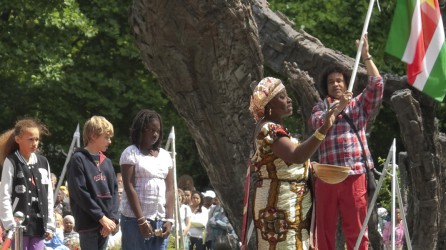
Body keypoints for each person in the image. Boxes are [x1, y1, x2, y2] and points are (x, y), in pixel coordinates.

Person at [310, 35, 383, 250]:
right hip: (326, 176)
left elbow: (377, 86)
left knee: (358, 229)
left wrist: (366, 55)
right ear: (326, 86)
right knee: (323, 230)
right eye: (331, 82)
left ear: (346, 83)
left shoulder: (358, 105)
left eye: (339, 80)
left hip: (354, 174)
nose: (336, 84)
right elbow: (319, 123)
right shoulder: (319, 108)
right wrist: (338, 107)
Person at [249, 76, 337, 249]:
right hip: (279, 206)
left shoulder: (275, 129)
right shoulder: (269, 129)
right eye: (282, 97)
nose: (289, 100)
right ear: (269, 105)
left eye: (287, 95)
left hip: (289, 202)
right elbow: (296, 155)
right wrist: (323, 129)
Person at [119, 109, 174, 250]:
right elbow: (129, 186)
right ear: (141, 130)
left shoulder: (165, 156)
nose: (155, 134)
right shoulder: (130, 153)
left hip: (160, 220)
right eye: (151, 130)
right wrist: (141, 220)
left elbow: (170, 189)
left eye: (158, 131)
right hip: (134, 220)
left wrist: (169, 219)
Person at [0, 118, 56, 249]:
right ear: (18, 139)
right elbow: (4, 194)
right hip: (18, 224)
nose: (34, 143)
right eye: (30, 139)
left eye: (37, 139)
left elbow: (48, 195)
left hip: (39, 224)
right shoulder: (12, 161)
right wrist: (9, 223)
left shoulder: (43, 162)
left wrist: (50, 224)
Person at [67, 116, 119, 250]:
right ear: (93, 136)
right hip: (88, 223)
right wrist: (101, 217)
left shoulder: (107, 162)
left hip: (106, 224)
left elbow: (114, 192)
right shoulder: (78, 159)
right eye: (106, 137)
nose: (110, 141)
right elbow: (80, 192)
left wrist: (112, 218)